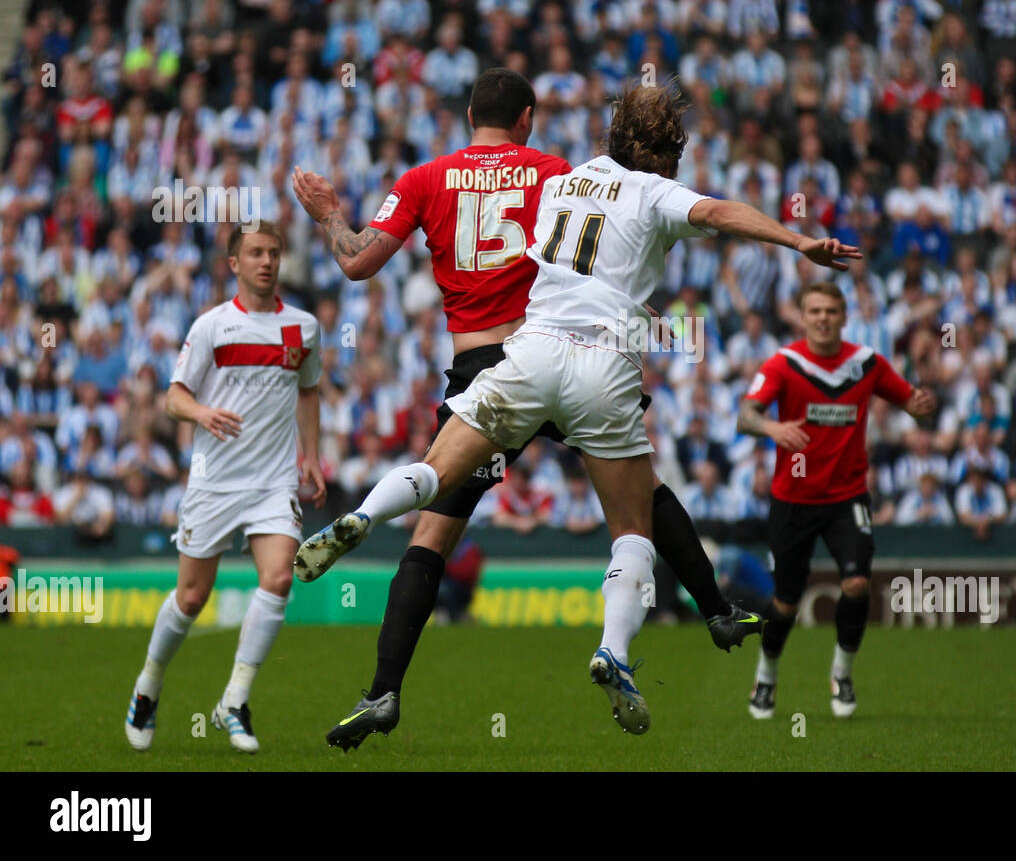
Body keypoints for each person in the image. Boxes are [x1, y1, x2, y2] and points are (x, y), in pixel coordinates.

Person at [297, 83, 858, 735]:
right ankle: (691, 619)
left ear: (472, 115)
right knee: (636, 508)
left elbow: (362, 259)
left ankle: (374, 614)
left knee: (432, 520)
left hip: (507, 360)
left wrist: (329, 215)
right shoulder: (555, 173)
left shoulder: (441, 177)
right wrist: (798, 242)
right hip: (595, 359)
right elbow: (703, 215)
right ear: (528, 119)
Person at [124, 221, 326, 754]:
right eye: (255, 253)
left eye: (274, 253)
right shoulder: (212, 326)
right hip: (214, 482)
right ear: (233, 263)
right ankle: (149, 684)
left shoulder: (303, 327)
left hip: (273, 478)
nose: (267, 262)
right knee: (192, 597)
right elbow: (172, 398)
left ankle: (234, 700)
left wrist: (311, 456)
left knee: (280, 578)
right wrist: (202, 412)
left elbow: (308, 394)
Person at [738, 281, 936, 720]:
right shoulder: (783, 364)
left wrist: (922, 405)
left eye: (831, 311)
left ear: (844, 317)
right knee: (786, 603)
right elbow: (745, 415)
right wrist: (772, 429)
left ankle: (842, 673)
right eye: (815, 311)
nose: (823, 318)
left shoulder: (866, 364)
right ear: (803, 316)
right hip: (793, 498)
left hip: (848, 497)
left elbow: (911, 402)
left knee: (857, 585)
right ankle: (766, 675)